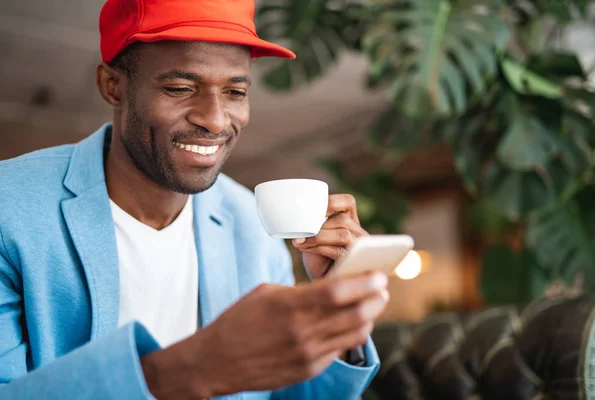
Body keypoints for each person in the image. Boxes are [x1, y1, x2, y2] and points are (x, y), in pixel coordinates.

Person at [0, 0, 390, 398]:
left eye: (235, 91)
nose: (216, 119)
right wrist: (198, 366)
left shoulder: (253, 226)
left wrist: (335, 315)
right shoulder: (9, 208)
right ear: (112, 86)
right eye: (181, 88)